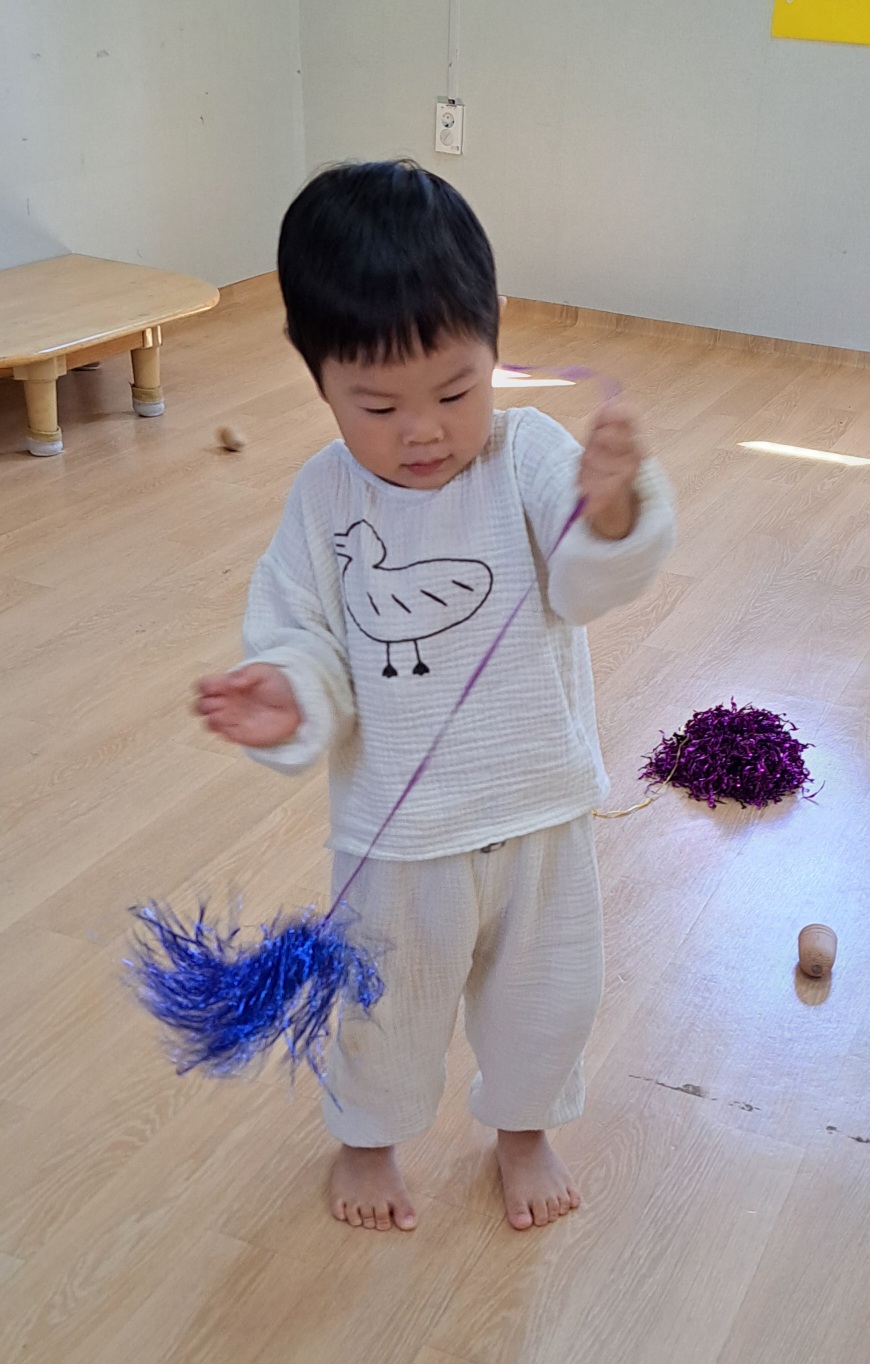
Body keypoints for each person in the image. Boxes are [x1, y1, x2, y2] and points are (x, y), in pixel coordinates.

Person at [197, 160, 675, 1233]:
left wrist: (610, 511)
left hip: (540, 813)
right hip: (398, 842)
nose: (423, 430)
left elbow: (584, 581)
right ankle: (368, 1140)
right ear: (317, 376)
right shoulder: (323, 499)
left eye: (457, 392)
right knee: (386, 1009)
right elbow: (303, 639)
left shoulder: (528, 454)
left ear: (494, 344)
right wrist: (290, 697)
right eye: (378, 405)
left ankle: (525, 1127)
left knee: (549, 997)